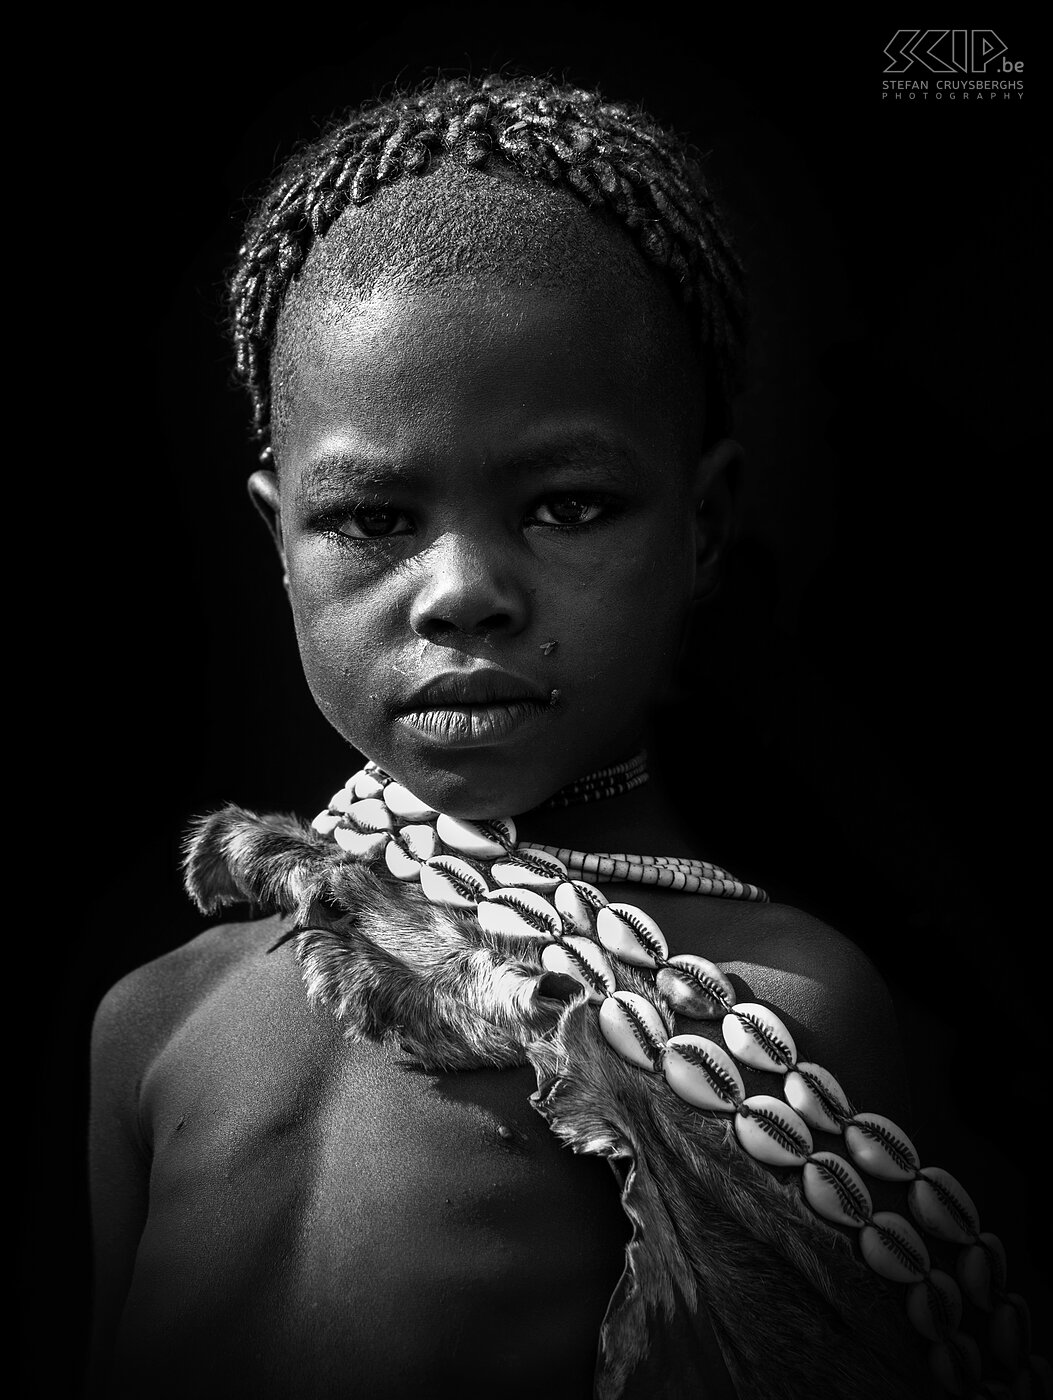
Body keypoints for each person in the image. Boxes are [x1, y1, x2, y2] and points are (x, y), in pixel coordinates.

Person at [87, 73, 1048, 1400]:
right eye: (370, 519)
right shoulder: (152, 1020)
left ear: (700, 526)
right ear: (277, 542)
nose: (462, 589)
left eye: (569, 507)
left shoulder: (771, 1021)